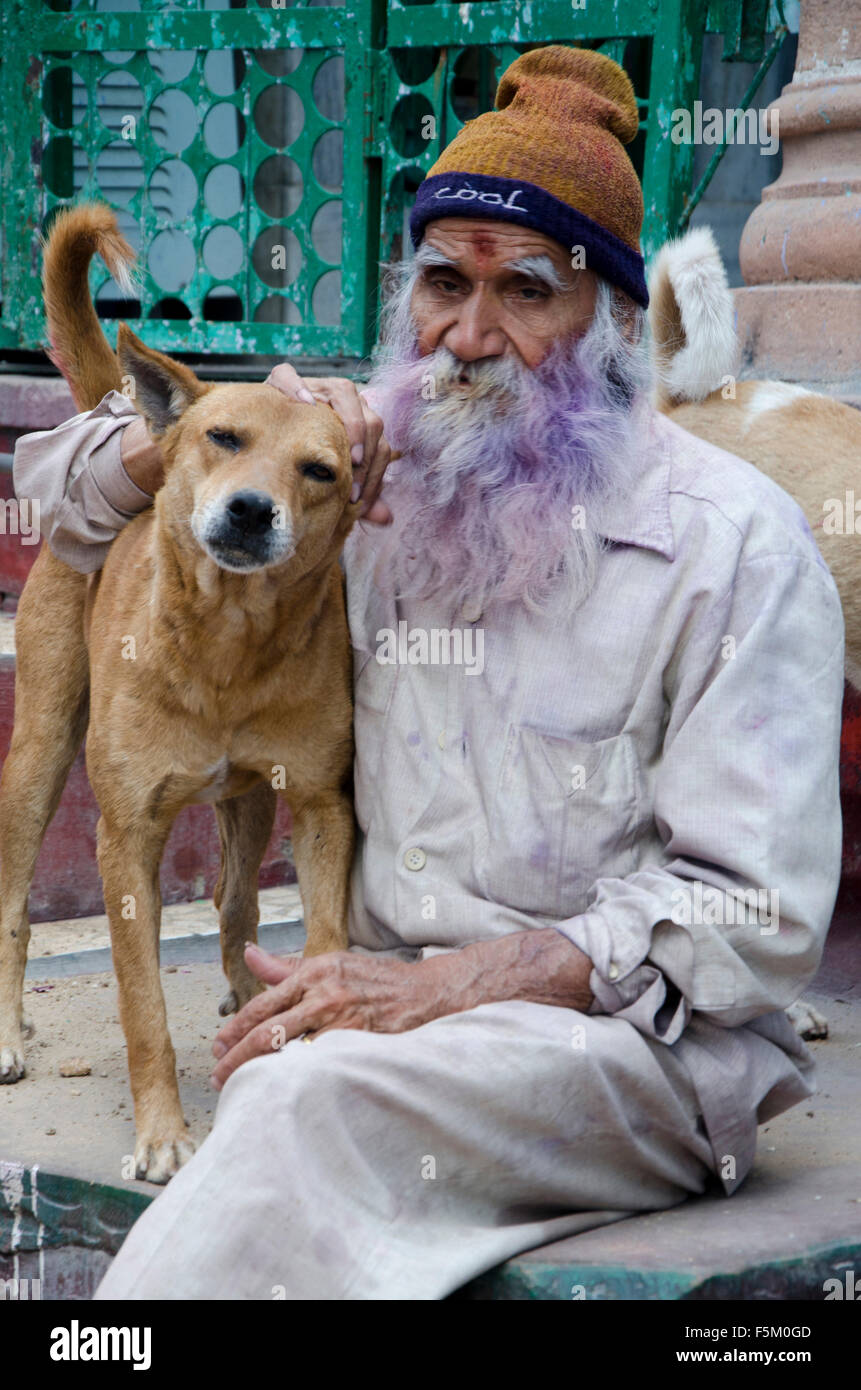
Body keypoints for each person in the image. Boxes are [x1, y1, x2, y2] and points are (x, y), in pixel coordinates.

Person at [13, 46, 844, 1300]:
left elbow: (755, 919)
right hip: (379, 1020)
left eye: (526, 292)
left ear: (615, 321)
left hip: (628, 1050)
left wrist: (447, 985)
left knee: (299, 1103)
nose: (469, 335)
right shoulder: (363, 482)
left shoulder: (732, 547)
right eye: (443, 285)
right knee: (300, 1086)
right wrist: (204, 445)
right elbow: (62, 504)